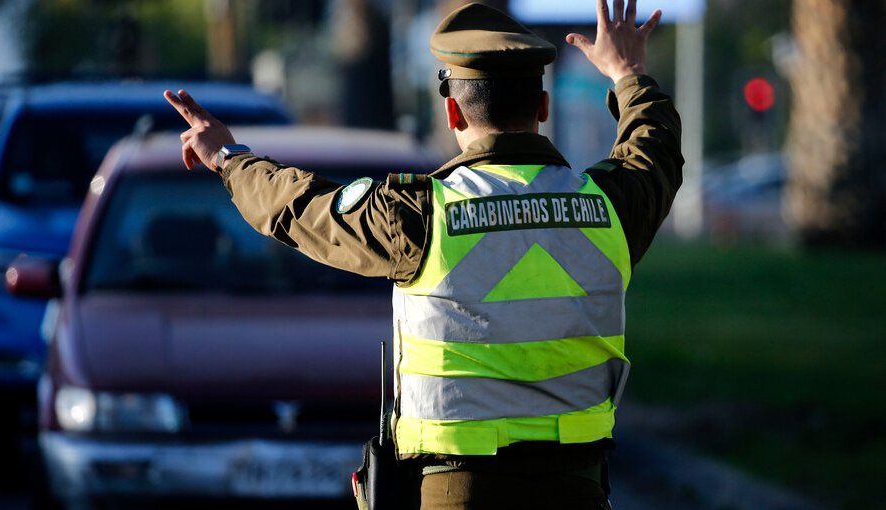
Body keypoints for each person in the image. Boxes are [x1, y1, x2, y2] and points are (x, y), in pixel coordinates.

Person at [165, 0, 682, 508]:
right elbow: (654, 146)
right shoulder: (612, 208)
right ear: (542, 108)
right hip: (579, 488)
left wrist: (228, 159)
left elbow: (301, 208)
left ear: (452, 108)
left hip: (455, 491)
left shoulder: (419, 215)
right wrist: (627, 73)